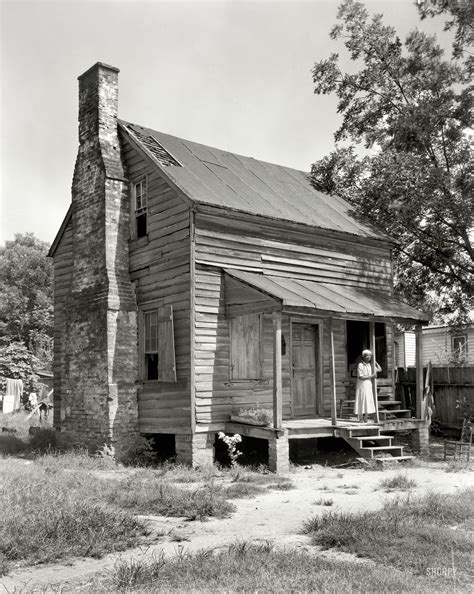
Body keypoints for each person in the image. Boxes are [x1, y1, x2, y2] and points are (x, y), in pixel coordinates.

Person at [354, 349, 382, 423]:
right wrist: (372, 376)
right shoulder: (360, 365)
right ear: (363, 357)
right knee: (361, 399)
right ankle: (360, 418)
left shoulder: (370, 365)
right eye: (367, 356)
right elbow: (361, 377)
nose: (368, 357)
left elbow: (379, 369)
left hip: (368, 384)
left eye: (370, 356)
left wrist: (375, 362)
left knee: (367, 401)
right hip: (362, 385)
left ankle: (366, 417)